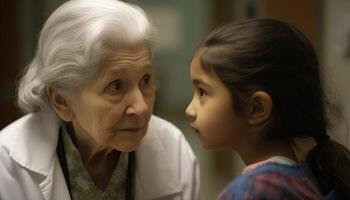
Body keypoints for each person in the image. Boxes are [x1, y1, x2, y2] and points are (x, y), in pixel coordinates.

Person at [0, 0, 200, 199]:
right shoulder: (7, 165)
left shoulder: (174, 150)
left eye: (145, 80)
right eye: (116, 86)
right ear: (62, 100)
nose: (141, 108)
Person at [185, 18, 350, 199]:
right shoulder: (298, 178)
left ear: (256, 108)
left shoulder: (255, 190)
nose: (189, 110)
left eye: (202, 92)